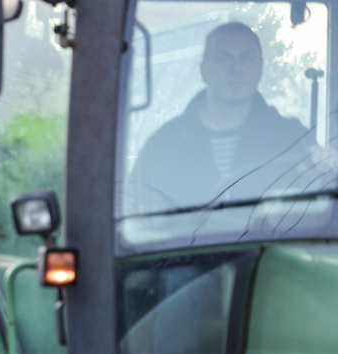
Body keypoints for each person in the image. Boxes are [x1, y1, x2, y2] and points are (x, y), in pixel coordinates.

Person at [128, 22, 316, 213]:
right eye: (223, 59)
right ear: (204, 70)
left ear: (260, 68)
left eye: (247, 58)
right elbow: (133, 214)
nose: (237, 68)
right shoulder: (163, 146)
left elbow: (319, 208)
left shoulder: (293, 139)